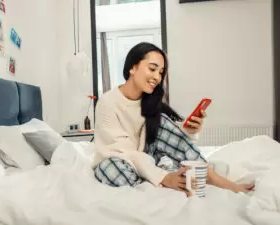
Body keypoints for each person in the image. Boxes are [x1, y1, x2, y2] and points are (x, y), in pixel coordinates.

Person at [92, 42, 254, 196]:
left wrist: (190, 131)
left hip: (146, 159)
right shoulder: (108, 102)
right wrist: (163, 177)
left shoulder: (149, 102)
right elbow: (125, 152)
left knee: (161, 122)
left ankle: (212, 177)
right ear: (133, 67)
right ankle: (149, 181)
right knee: (110, 169)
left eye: (161, 72)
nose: (157, 77)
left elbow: (173, 140)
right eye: (152, 69)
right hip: (118, 159)